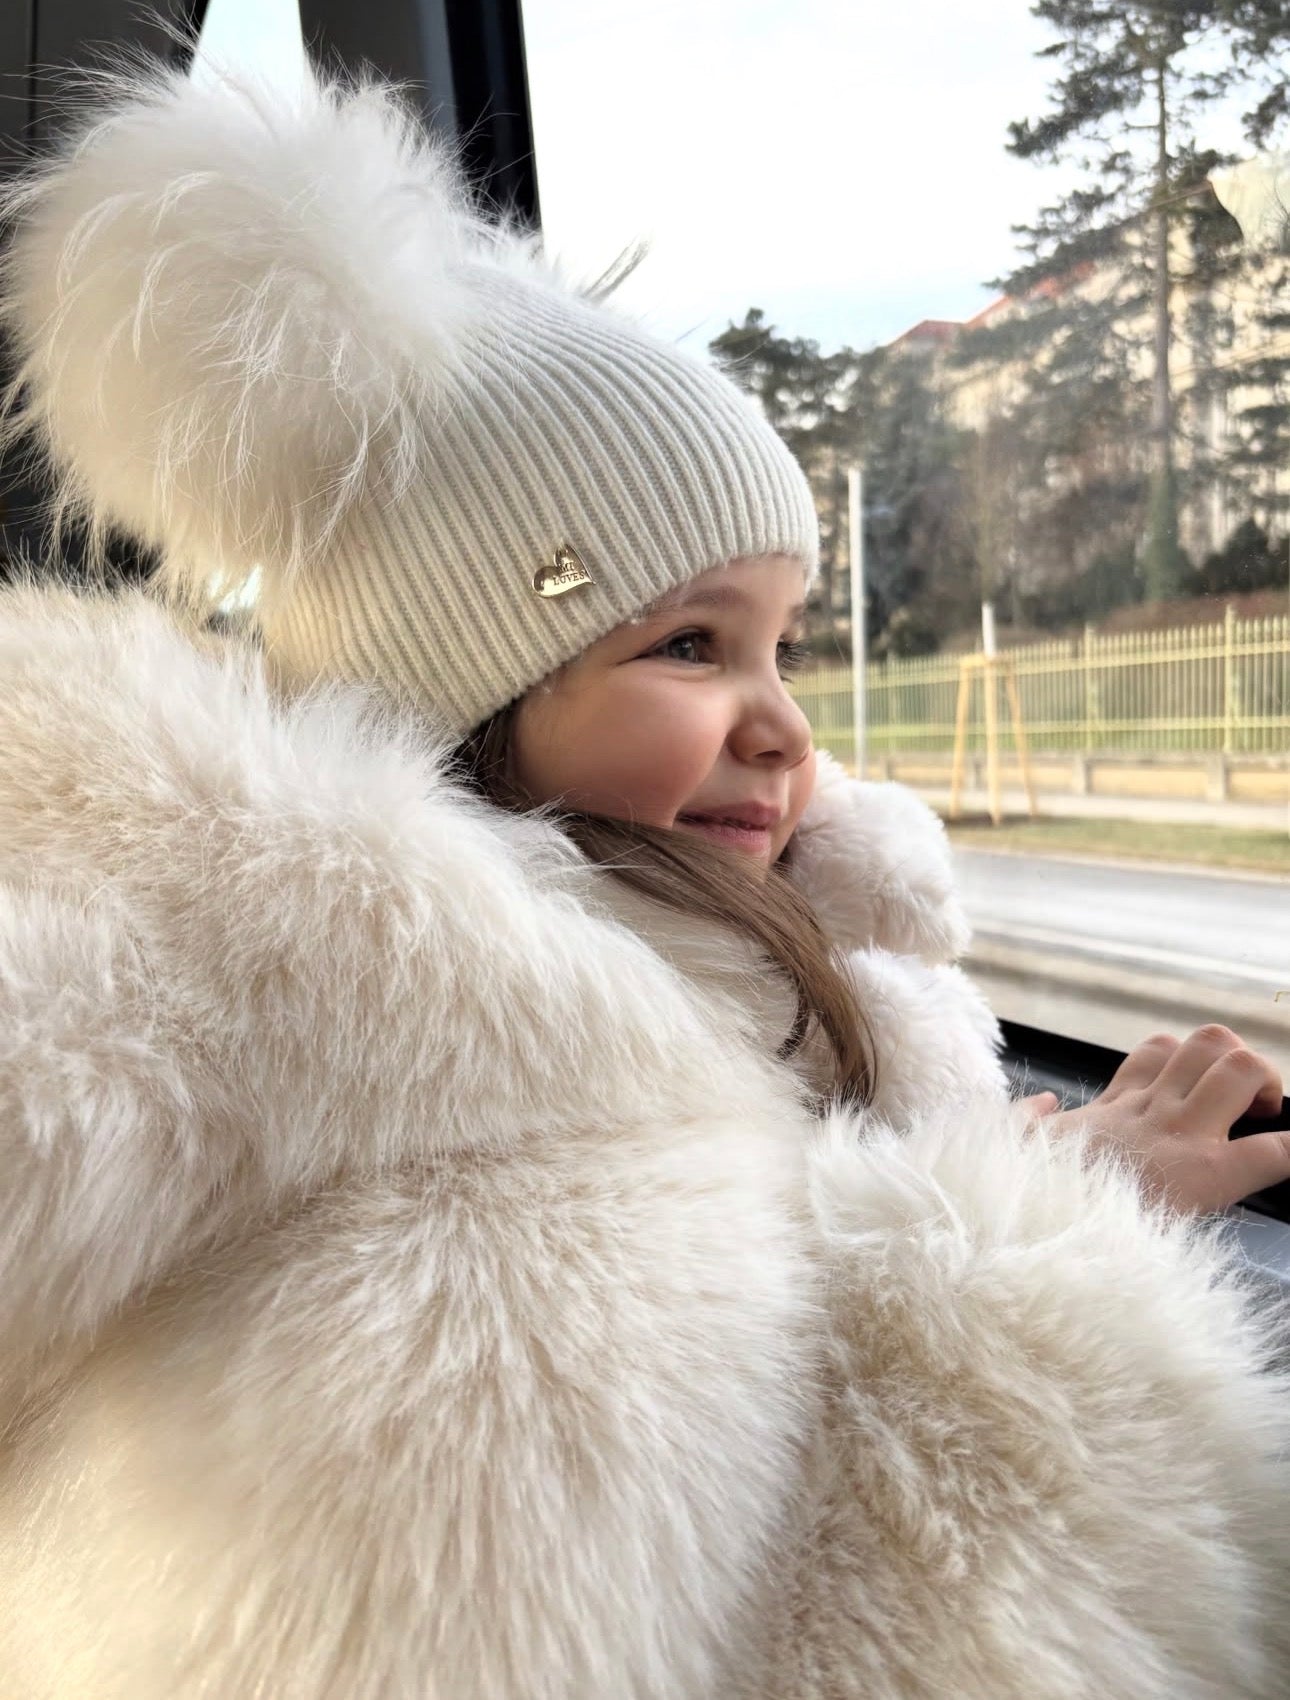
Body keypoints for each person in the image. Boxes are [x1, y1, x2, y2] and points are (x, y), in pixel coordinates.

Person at [0, 59, 1287, 1700]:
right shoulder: (439, 1181)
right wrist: (1045, 1243)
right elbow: (842, 1614)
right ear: (462, 683)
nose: (783, 725)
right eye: (688, 644)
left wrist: (965, 1177)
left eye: (780, 645)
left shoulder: (728, 969)